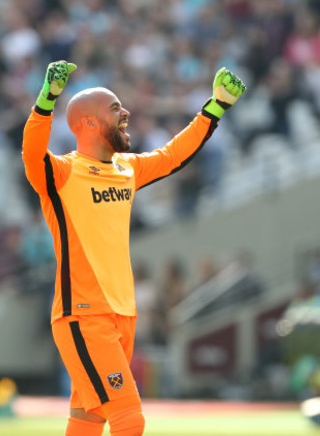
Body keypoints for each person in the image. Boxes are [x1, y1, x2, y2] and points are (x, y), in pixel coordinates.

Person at [22, 60, 245, 435]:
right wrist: (47, 100)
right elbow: (31, 154)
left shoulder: (127, 168)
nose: (125, 113)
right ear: (89, 123)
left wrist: (215, 107)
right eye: (115, 108)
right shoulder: (62, 173)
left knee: (88, 420)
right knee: (129, 418)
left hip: (121, 314)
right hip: (84, 315)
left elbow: (174, 156)